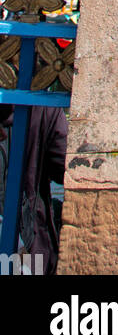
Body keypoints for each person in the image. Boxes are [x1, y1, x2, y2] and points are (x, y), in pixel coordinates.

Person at [0, 105, 68, 274]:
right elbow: (68, 170)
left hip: (30, 248)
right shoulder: (43, 106)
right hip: (34, 250)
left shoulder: (44, 108)